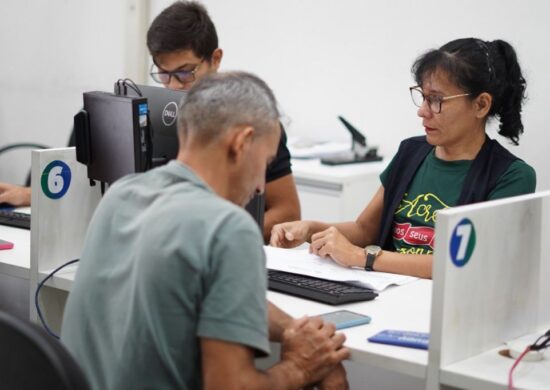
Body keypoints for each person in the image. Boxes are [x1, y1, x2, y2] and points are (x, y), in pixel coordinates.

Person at [61, 72, 349, 390]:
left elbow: (206, 295)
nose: (259, 187)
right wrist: (301, 367)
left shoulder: (121, 194)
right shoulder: (228, 228)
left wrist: (296, 329)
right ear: (241, 144)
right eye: (264, 163)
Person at [1, 1, 302, 243]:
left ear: (216, 58)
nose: (172, 86)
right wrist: (36, 195)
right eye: (163, 73)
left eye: (185, 72)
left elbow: (288, 210)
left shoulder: (253, 121)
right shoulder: (141, 113)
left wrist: (220, 237)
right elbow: (97, 186)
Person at [271, 38, 536, 279]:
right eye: (422, 96)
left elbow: (465, 264)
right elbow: (364, 229)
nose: (422, 111)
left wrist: (365, 257)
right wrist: (310, 230)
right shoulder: (411, 152)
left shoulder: (510, 176)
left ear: (480, 105)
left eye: (436, 100)